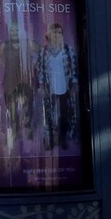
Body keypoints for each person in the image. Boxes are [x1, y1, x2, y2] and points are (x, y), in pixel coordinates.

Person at [35, 22, 78, 150]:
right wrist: (42, 85)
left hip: (64, 88)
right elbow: (40, 70)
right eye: (55, 32)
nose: (57, 35)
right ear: (49, 35)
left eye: (60, 33)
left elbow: (74, 68)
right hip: (50, 89)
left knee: (64, 114)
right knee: (48, 115)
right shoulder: (43, 51)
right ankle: (50, 140)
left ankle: (62, 139)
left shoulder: (68, 49)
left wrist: (74, 84)